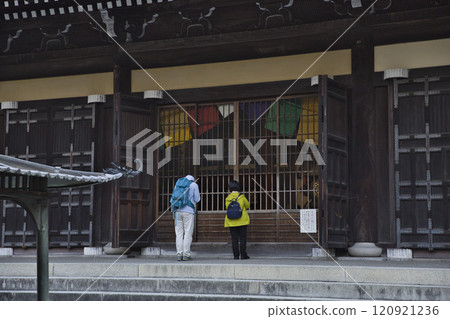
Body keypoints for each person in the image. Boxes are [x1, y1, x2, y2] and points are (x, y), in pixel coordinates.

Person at [173, 175, 200, 261]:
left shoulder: (178, 183)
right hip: (189, 211)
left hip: (177, 211)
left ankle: (179, 253)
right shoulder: (194, 185)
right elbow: (197, 199)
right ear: (192, 179)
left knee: (179, 233)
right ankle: (186, 254)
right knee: (188, 233)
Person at [224, 180, 250, 259]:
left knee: (234, 238)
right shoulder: (242, 197)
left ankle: (236, 255)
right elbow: (248, 206)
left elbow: (227, 208)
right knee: (242, 238)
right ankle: (243, 255)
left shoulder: (228, 198)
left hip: (231, 221)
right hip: (242, 220)